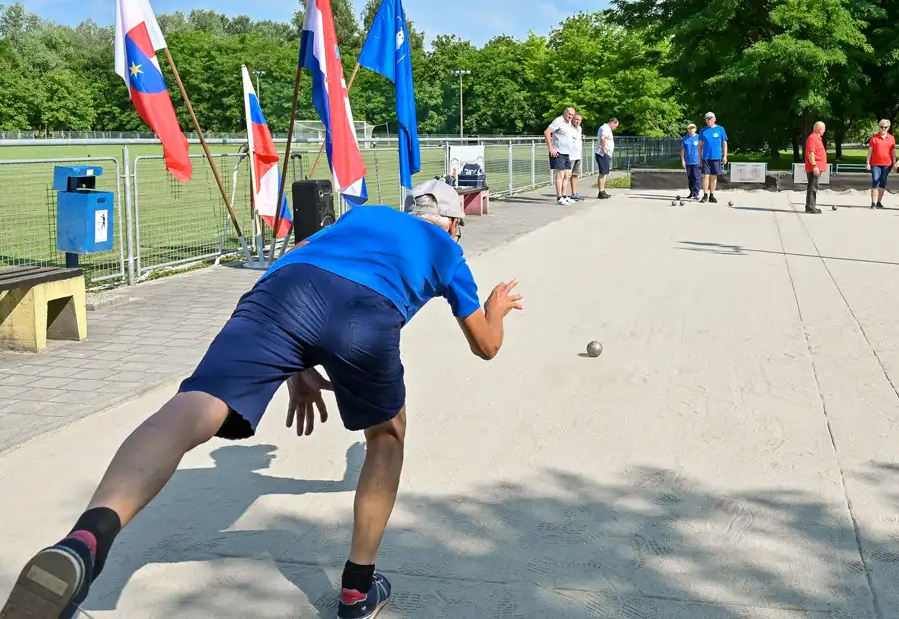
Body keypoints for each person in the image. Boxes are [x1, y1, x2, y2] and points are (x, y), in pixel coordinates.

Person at [1, 181, 524, 619]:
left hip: (280, 290)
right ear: (453, 223)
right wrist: (496, 306)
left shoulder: (367, 216)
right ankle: (357, 589)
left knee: (195, 406)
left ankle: (84, 541)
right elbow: (486, 346)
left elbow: (314, 277)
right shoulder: (448, 251)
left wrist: (298, 365)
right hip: (366, 312)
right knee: (387, 437)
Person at [544, 107, 576, 205]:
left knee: (567, 175)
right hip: (559, 152)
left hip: (567, 153)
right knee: (560, 175)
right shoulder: (558, 121)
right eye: (569, 114)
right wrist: (551, 148)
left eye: (572, 115)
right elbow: (547, 132)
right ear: (565, 112)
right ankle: (559, 197)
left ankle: (565, 195)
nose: (570, 116)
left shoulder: (569, 123)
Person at [698, 112, 728, 203]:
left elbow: (724, 143)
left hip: (716, 157)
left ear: (714, 119)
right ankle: (705, 195)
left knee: (714, 176)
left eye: (710, 118)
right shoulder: (703, 130)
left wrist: (725, 156)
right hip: (706, 157)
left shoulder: (720, 129)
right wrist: (699, 158)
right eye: (707, 119)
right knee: (705, 176)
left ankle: (712, 195)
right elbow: (700, 145)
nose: (708, 120)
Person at [867, 119, 896, 209]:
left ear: (888, 128)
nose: (883, 129)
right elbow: (870, 152)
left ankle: (879, 201)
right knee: (875, 181)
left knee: (883, 182)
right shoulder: (874, 138)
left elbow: (893, 152)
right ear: (879, 127)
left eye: (885, 127)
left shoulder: (891, 138)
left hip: (887, 163)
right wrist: (867, 162)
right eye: (881, 127)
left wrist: (895, 164)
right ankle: (873, 202)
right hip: (875, 163)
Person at [804, 121, 827, 214]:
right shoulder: (813, 138)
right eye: (824, 129)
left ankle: (811, 206)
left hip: (817, 167)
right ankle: (810, 207)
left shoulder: (817, 138)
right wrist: (814, 166)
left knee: (813, 187)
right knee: (812, 187)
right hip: (814, 167)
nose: (824, 131)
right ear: (820, 129)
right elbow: (811, 153)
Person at [595, 117, 618, 199]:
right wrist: (604, 148)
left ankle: (603, 191)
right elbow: (603, 137)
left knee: (604, 173)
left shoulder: (607, 128)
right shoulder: (605, 128)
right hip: (602, 154)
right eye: (615, 126)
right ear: (612, 123)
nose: (615, 128)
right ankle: (601, 192)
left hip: (605, 154)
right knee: (602, 173)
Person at [680, 122, 702, 200]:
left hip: (696, 161)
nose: (691, 129)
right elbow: (683, 150)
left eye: (693, 128)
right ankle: (691, 192)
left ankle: (696, 193)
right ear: (688, 129)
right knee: (690, 177)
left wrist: (701, 159)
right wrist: (683, 160)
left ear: (695, 129)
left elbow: (702, 149)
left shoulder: (699, 137)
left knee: (697, 177)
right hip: (688, 161)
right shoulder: (685, 138)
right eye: (690, 128)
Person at [567, 110, 585, 202]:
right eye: (576, 119)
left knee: (575, 175)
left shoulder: (579, 128)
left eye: (580, 120)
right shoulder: (568, 127)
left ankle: (574, 193)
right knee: (567, 175)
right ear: (573, 118)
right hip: (570, 156)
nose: (578, 121)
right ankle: (563, 195)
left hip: (578, 155)